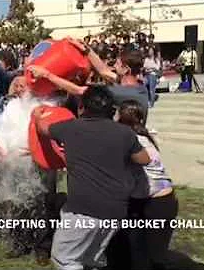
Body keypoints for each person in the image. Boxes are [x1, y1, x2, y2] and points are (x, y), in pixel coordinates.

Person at [33, 85, 150, 270]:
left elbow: (43, 129)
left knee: (64, 259)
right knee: (91, 260)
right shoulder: (124, 133)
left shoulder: (70, 128)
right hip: (116, 210)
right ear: (111, 109)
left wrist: (37, 115)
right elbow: (144, 159)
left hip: (83, 210)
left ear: (81, 107)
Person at [118, 100, 178, 270]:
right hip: (148, 200)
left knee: (156, 256)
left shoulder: (132, 140)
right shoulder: (144, 135)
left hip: (157, 203)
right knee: (138, 251)